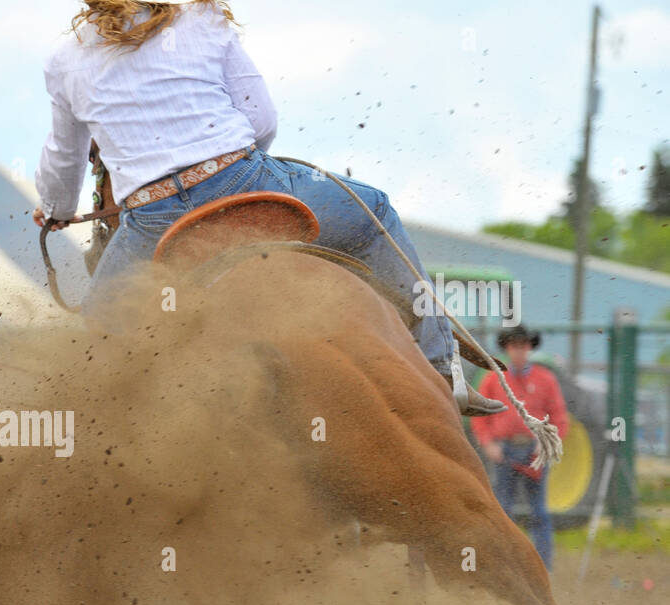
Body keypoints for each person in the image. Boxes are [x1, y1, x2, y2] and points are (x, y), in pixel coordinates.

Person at [32, 0, 504, 417]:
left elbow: (66, 157)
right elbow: (261, 118)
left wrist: (55, 209)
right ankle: (442, 370)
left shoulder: (64, 58)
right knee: (374, 209)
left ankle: (96, 440)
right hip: (244, 181)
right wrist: (229, 160)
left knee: (97, 335)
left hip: (154, 220)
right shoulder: (202, 14)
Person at [470, 326, 568, 570]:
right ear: (507, 349)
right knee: (503, 510)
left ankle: (543, 566)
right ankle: (504, 564)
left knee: (539, 513)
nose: (519, 351)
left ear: (530, 348)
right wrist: (488, 443)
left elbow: (559, 418)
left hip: (534, 452)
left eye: (523, 346)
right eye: (514, 346)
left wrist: (545, 444)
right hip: (504, 451)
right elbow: (480, 415)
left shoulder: (546, 379)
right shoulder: (493, 378)